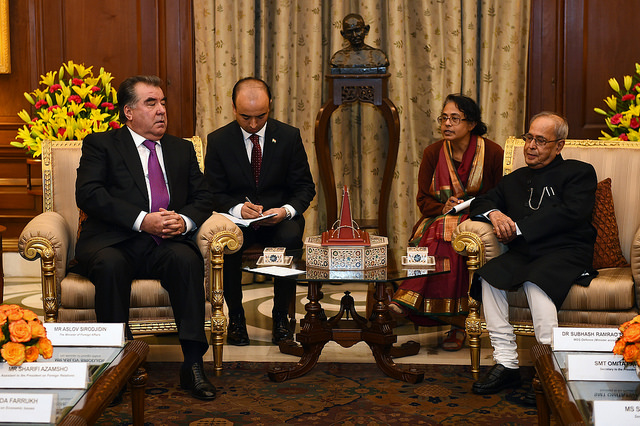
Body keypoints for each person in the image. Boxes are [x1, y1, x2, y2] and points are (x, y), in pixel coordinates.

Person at [72, 75, 217, 401]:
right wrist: (142, 220)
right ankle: (114, 367)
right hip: (114, 240)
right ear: (129, 112)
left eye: (163, 102)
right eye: (151, 103)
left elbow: (204, 197)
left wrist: (183, 220)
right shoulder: (101, 145)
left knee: (186, 260)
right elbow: (89, 194)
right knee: (110, 266)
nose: (161, 110)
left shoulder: (181, 149)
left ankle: (193, 364)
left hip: (165, 242)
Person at [468, 112, 597, 403]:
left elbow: (572, 213)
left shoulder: (579, 172)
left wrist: (517, 227)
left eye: (540, 140)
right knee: (488, 277)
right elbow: (482, 201)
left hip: (567, 250)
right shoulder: (515, 179)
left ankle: (550, 371)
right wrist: (495, 214)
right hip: (527, 252)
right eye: (528, 138)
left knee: (536, 282)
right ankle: (506, 363)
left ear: (559, 145)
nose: (531, 146)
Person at [204, 77, 316, 346]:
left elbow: (305, 187)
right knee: (226, 240)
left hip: (279, 219)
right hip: (239, 221)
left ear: (270, 107)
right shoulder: (219, 140)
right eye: (245, 117)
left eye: (261, 116)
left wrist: (286, 211)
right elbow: (211, 192)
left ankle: (280, 317)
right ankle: (237, 318)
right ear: (233, 108)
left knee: (290, 237)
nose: (253, 124)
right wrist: (237, 209)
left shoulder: (288, 136)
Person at [389, 94, 504, 351]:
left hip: (479, 219)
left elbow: (502, 196)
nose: (447, 124)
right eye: (444, 118)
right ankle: (451, 320)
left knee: (450, 231)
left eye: (454, 118)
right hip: (438, 217)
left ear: (471, 124)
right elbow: (423, 199)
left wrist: (474, 207)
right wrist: (443, 207)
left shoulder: (493, 152)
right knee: (440, 228)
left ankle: (410, 299)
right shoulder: (433, 153)